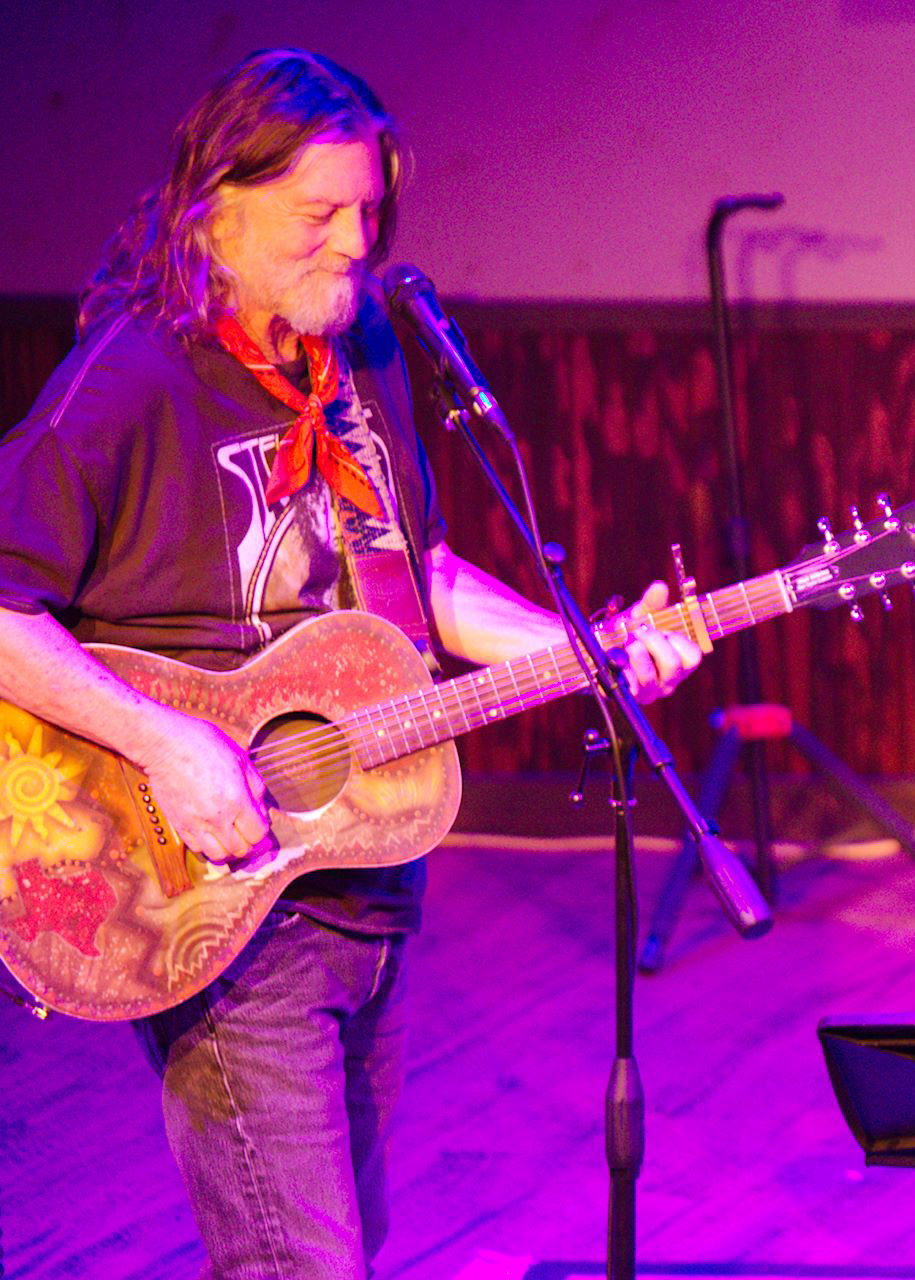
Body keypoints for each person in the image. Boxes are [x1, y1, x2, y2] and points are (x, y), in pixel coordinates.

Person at [0, 50, 704, 1277]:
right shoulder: (130, 380)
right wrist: (170, 742)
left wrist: (595, 656)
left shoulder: (360, 348)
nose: (352, 244)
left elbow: (414, 578)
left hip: (362, 863)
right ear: (209, 210)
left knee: (341, 1244)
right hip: (205, 888)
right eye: (318, 215)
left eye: (369, 211)